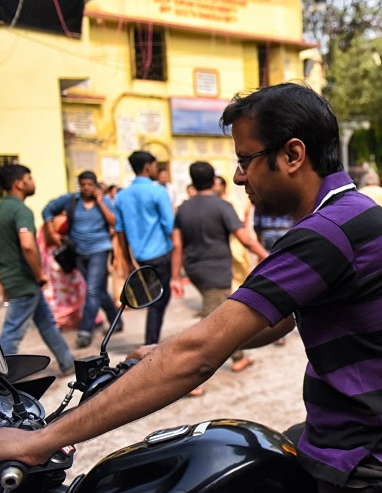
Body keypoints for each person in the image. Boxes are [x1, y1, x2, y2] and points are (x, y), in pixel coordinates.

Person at [0, 83, 382, 493]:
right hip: (359, 427)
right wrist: (166, 348)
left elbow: (194, 361)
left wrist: (40, 439)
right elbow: (271, 317)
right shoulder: (348, 214)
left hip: (369, 462)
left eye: (246, 161)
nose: (239, 176)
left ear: (293, 155)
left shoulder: (327, 233)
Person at [171, 161, 269, 372]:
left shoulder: (183, 209)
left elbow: (177, 245)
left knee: (217, 316)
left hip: (194, 269)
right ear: (214, 180)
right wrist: (265, 255)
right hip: (217, 270)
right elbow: (244, 238)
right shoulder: (222, 206)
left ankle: (237, 356)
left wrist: (175, 277)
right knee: (214, 324)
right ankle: (186, 369)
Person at [0, 164, 74, 374]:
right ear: (19, 183)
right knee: (12, 331)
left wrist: (4, 279)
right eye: (29, 178)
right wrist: (38, 273)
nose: (32, 181)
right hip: (25, 280)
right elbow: (27, 244)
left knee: (46, 322)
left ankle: (67, 362)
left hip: (12, 277)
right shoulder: (20, 210)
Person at [42, 170, 119, 347]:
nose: (86, 188)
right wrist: (51, 231)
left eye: (89, 185)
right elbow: (48, 210)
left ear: (95, 185)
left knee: (92, 290)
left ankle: (85, 330)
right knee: (98, 290)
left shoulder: (104, 201)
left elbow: (114, 222)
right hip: (78, 251)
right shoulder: (71, 200)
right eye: (83, 184)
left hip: (99, 250)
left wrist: (100, 202)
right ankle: (117, 320)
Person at [114, 151, 175, 344]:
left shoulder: (122, 196)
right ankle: (150, 344)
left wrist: (126, 260)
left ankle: (151, 341)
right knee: (158, 301)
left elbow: (120, 231)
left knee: (154, 299)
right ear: (147, 167)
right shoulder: (158, 191)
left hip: (140, 256)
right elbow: (169, 224)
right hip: (162, 254)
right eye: (155, 165)